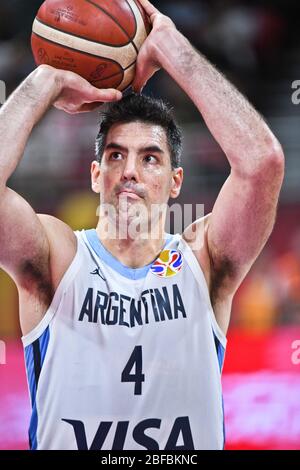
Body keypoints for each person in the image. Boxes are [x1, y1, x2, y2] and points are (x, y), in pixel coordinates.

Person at [0, 0, 284, 450]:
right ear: (96, 175)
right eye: (115, 155)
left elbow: (262, 163)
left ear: (175, 184)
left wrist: (172, 47)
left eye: (149, 157)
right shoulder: (59, 257)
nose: (129, 170)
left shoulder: (202, 260)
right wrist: (46, 78)